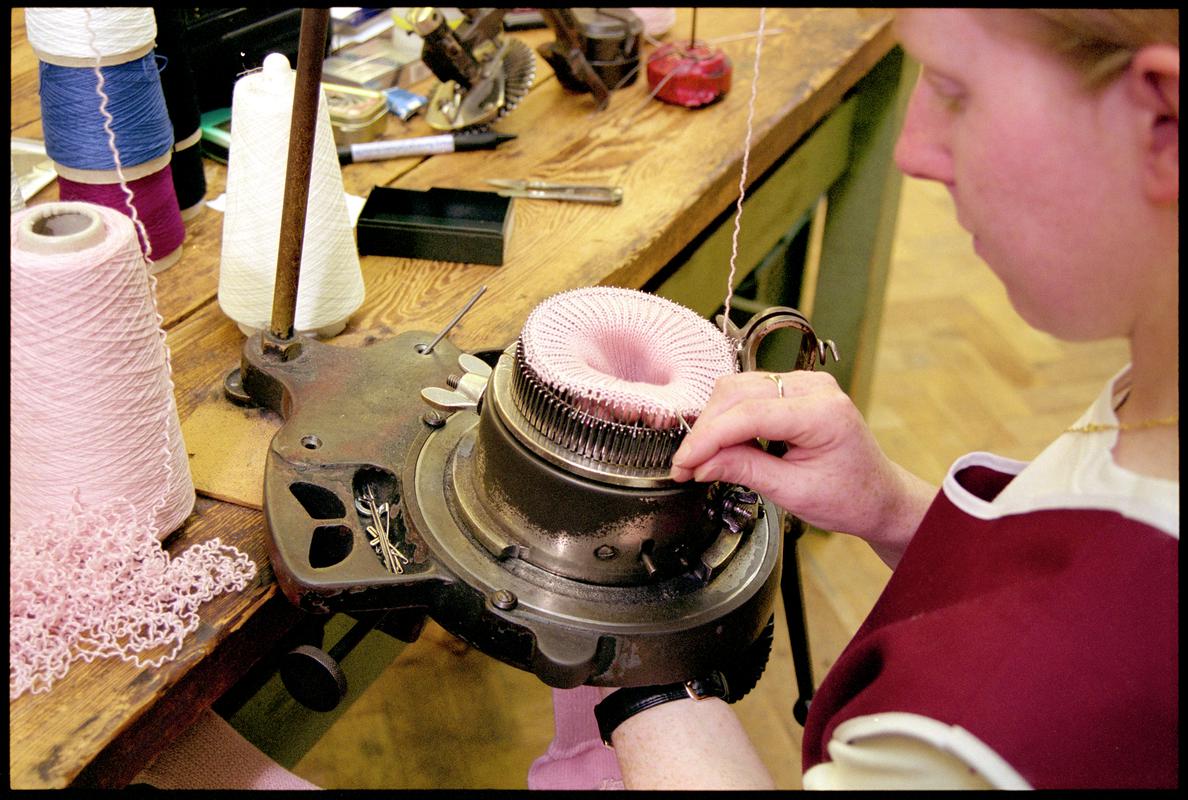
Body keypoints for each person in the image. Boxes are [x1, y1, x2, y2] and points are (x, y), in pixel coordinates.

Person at [528, 9, 1178, 790]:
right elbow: (1070, 544)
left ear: (1163, 118)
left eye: (952, 88)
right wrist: (896, 510)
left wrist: (636, 654)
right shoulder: (1158, 391)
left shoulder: (988, 731)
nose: (911, 150)